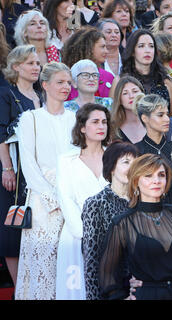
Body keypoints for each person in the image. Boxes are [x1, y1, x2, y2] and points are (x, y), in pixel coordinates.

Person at [15, 62, 76, 300]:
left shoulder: (75, 119)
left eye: (68, 83)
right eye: (60, 82)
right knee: (43, 267)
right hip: (42, 203)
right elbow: (29, 164)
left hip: (72, 201)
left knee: (68, 265)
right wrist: (54, 197)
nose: (66, 87)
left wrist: (69, 197)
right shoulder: (30, 118)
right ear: (45, 85)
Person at [99, 153, 172, 300]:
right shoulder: (123, 223)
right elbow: (107, 272)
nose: (156, 181)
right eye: (148, 176)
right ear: (136, 181)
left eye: (161, 175)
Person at [55, 103, 110, 300]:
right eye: (95, 122)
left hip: (111, 235)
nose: (101, 126)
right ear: (82, 127)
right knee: (76, 291)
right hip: (76, 235)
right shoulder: (66, 159)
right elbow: (65, 197)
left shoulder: (114, 156)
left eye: (104, 122)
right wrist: (85, 233)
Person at [0, 45, 42, 293]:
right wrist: (7, 169)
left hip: (40, 173)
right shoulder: (6, 94)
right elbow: (1, 134)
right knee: (13, 229)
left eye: (38, 63)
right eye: (30, 63)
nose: (36, 67)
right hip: (15, 173)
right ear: (16, 67)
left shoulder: (43, 95)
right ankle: (19, 290)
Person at [82, 141, 139, 300]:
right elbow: (91, 260)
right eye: (126, 162)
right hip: (112, 289)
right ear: (112, 167)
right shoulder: (95, 204)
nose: (132, 167)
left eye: (135, 163)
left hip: (141, 287)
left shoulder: (142, 201)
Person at [134, 93, 172, 209]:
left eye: (167, 114)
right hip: (146, 215)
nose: (167, 119)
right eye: (160, 115)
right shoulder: (136, 151)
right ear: (145, 118)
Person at [121, 29, 172, 113]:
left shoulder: (166, 83)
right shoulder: (120, 81)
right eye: (141, 46)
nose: (147, 50)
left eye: (151, 46)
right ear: (132, 51)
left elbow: (169, 116)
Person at [62, 27, 118, 100]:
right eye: (102, 47)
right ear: (89, 48)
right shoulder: (66, 77)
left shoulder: (108, 77)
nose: (106, 51)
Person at [110, 75, 146, 143]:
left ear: (142, 94)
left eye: (135, 91)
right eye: (125, 93)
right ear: (119, 99)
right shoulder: (113, 128)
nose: (131, 96)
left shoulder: (154, 122)